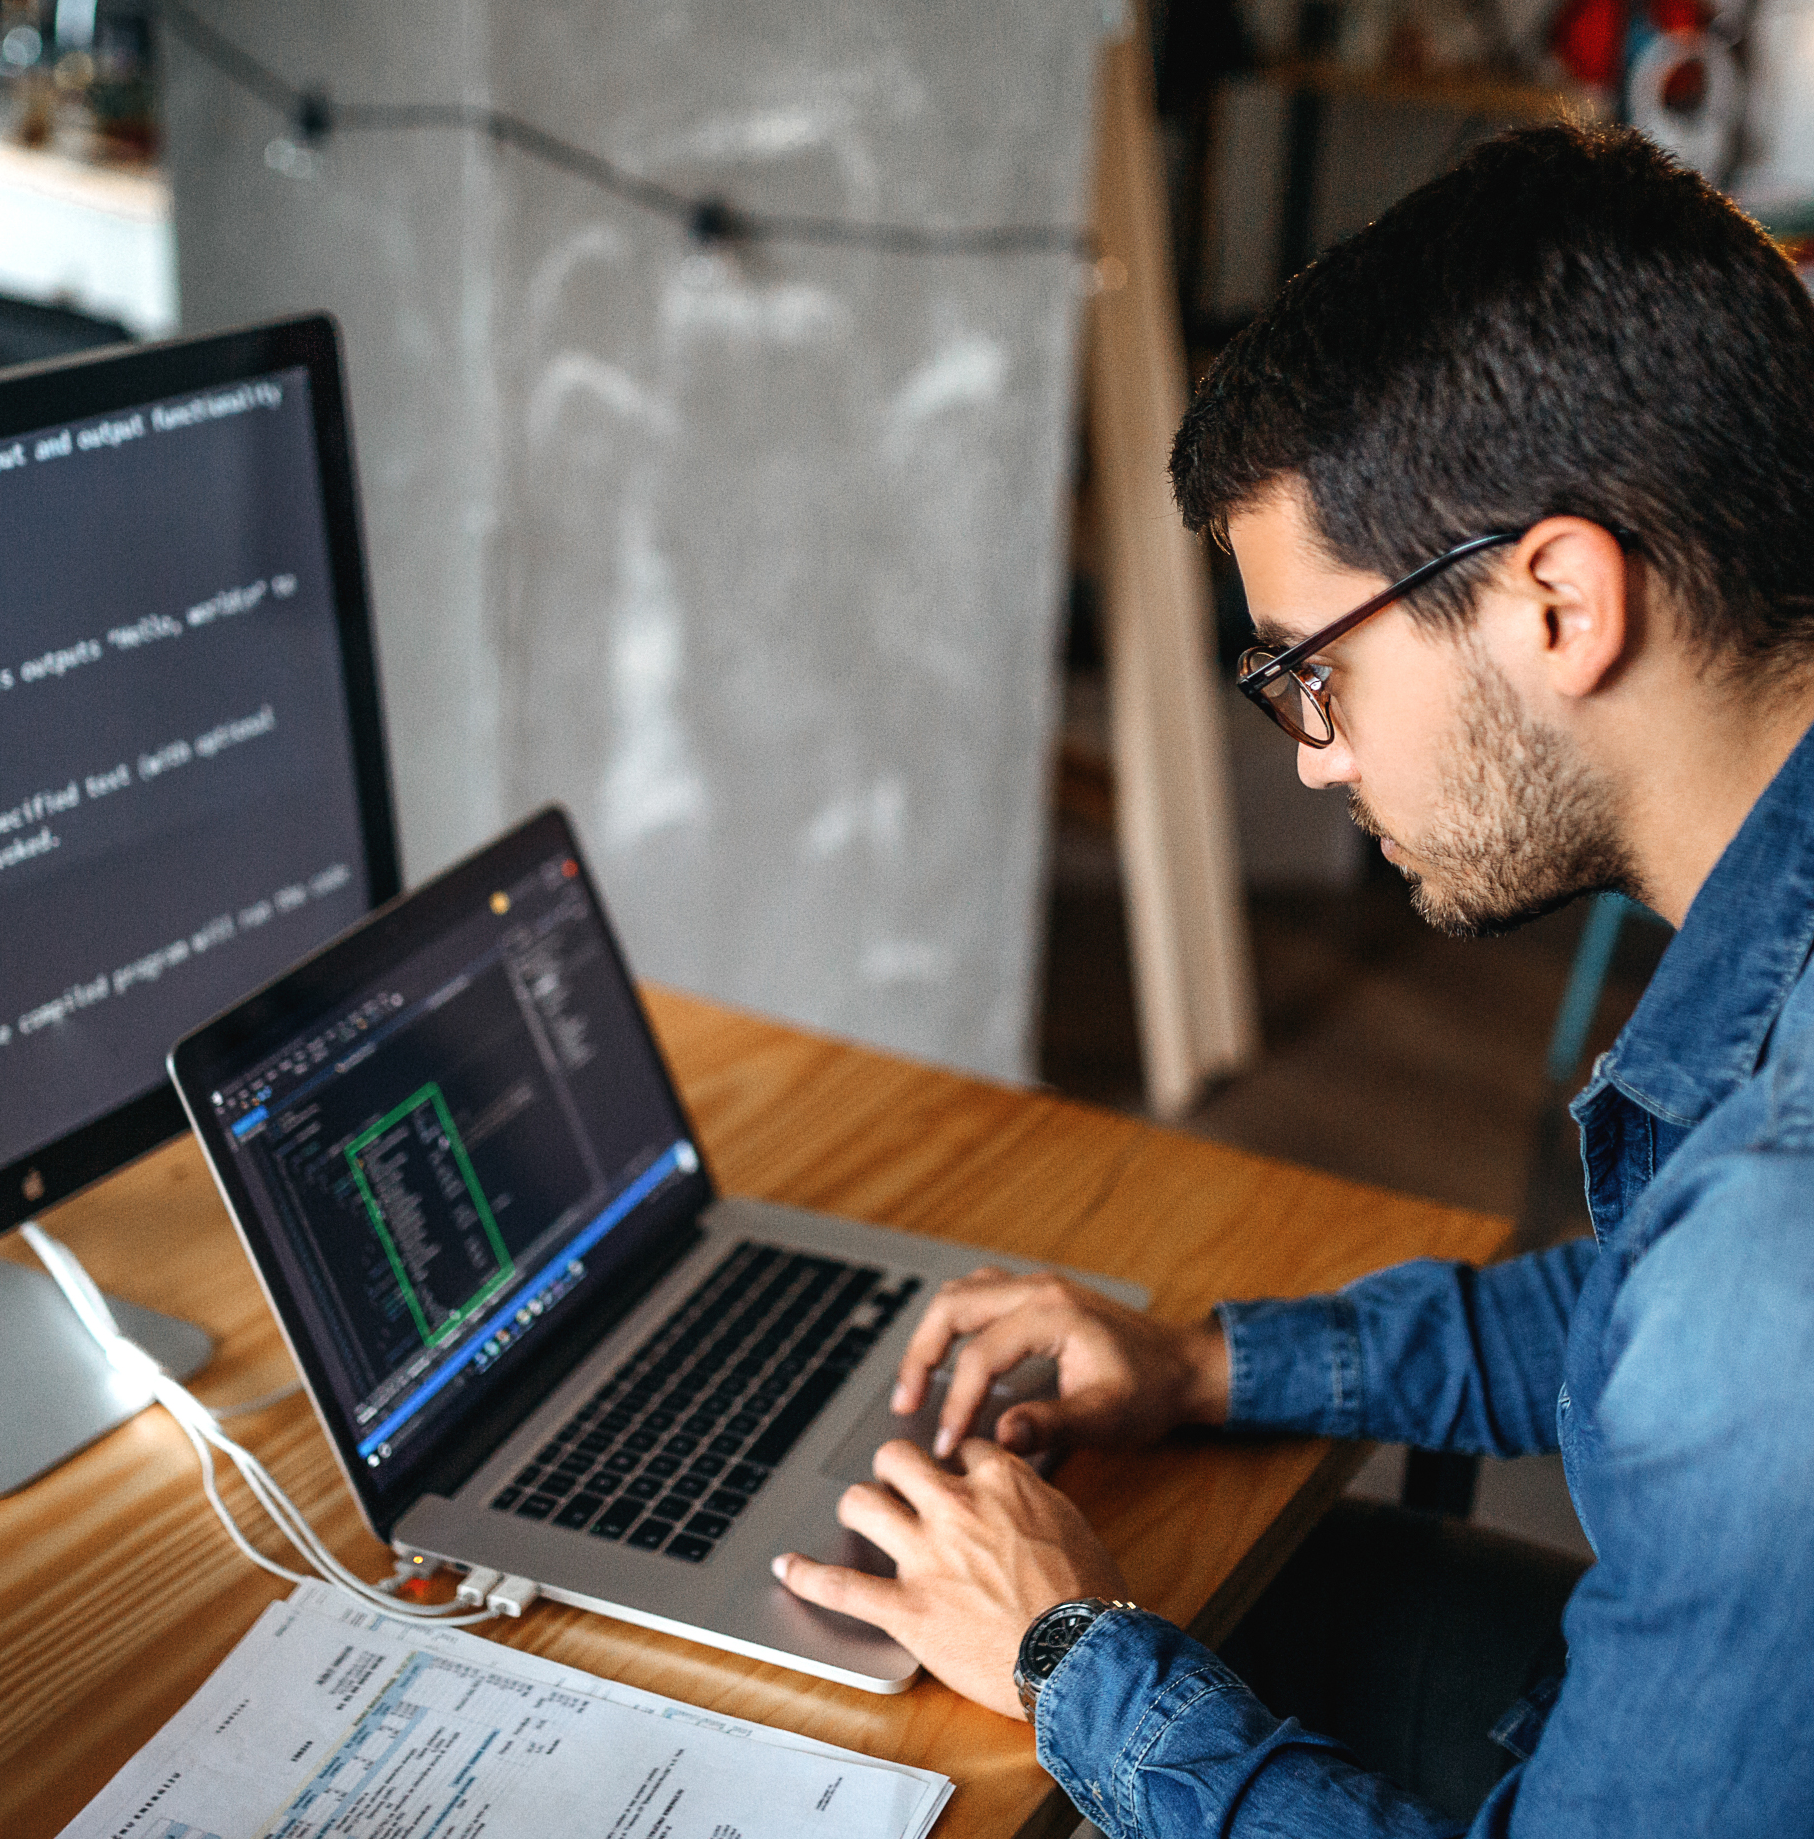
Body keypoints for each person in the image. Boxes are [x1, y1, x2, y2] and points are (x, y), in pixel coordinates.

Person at [771, 121, 1814, 1835]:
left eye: (1310, 673)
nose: (1316, 760)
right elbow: (1642, 1321)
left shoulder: (1774, 1255)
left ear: (1558, 602)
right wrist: (1207, 1369)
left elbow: (1723, 1335)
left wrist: (1067, 1651)